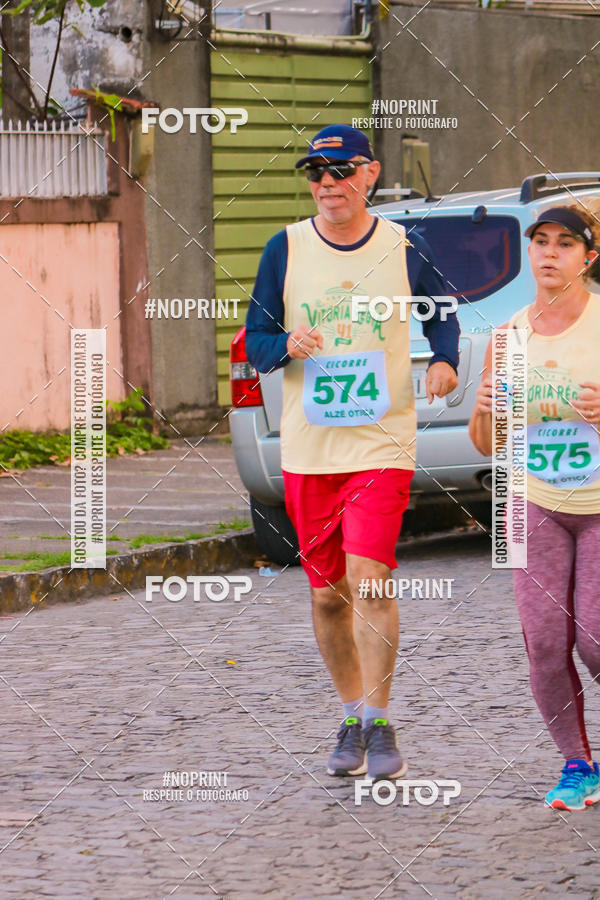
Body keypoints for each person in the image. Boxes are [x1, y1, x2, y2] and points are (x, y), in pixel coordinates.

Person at [245, 124, 459, 781]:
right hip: (311, 451)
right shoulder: (284, 248)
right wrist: (285, 346)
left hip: (380, 443)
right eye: (316, 172)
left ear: (370, 174)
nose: (327, 184)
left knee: (370, 578)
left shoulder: (403, 245)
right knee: (328, 599)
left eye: (340, 171)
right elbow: (255, 340)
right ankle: (352, 716)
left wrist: (445, 359)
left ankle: (381, 721)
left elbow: (442, 311)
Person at [469, 203, 600, 810]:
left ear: (588, 258)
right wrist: (484, 412)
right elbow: (487, 444)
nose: (549, 253)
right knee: (545, 643)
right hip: (527, 500)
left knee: (595, 640)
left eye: (565, 243)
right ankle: (577, 766)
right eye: (540, 241)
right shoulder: (508, 337)